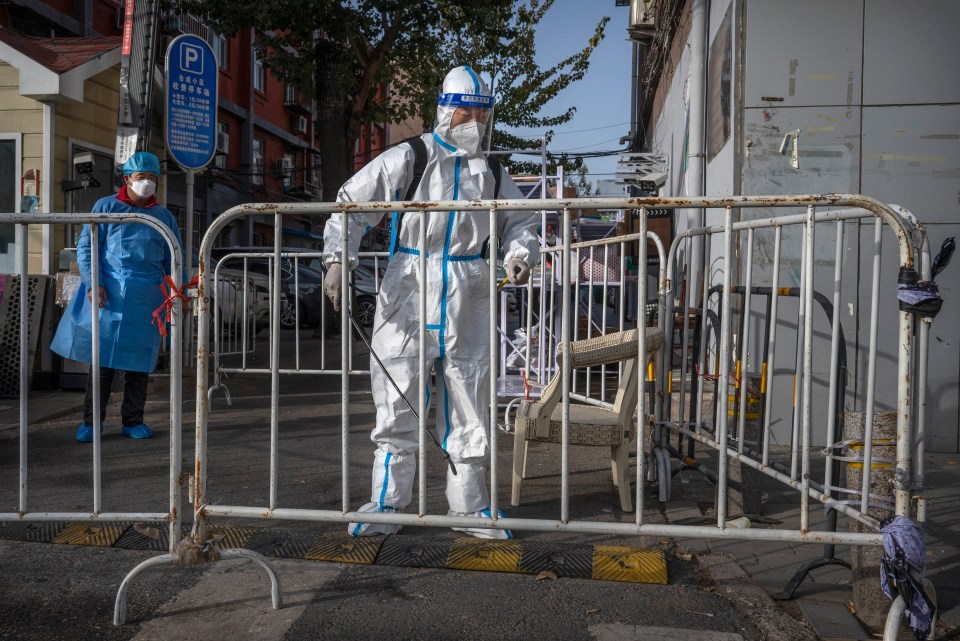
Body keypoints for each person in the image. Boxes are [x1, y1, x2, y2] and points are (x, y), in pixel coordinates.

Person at [323, 65, 540, 539]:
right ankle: (387, 503)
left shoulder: (493, 171)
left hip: (470, 288)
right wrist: (339, 256)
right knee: (396, 397)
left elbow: (520, 222)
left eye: (481, 113)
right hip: (410, 283)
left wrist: (520, 254)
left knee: (469, 398)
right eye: (466, 110)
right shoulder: (413, 156)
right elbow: (354, 201)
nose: (474, 122)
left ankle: (469, 507)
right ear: (445, 108)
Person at [51, 151, 183, 443]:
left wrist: (176, 294)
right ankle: (91, 421)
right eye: (141, 177)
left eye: (152, 178)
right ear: (127, 179)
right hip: (109, 294)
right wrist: (93, 283)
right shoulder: (106, 207)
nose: (147, 182)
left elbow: (175, 257)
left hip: (148, 297)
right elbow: (87, 249)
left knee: (140, 364)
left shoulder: (164, 217)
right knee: (103, 362)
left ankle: (133, 420)